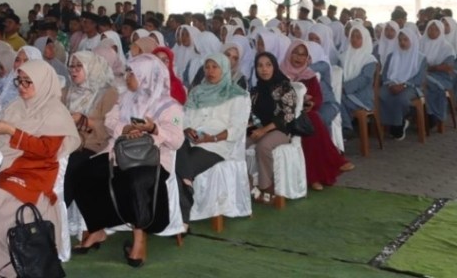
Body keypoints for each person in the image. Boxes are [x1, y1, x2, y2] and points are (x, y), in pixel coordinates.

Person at [68, 54, 184, 267]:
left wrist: (152, 129)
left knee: (135, 180)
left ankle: (139, 239)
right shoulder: (125, 98)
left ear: (147, 76)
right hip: (118, 153)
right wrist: (127, 129)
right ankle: (97, 229)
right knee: (83, 173)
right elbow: (110, 121)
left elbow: (176, 140)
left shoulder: (169, 106)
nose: (127, 76)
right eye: (128, 72)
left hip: (152, 159)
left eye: (133, 73)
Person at [0, 61, 79, 277]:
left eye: (28, 82)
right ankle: (4, 265)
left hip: (37, 169)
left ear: (42, 83)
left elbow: (46, 150)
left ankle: (14, 266)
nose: (22, 87)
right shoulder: (15, 106)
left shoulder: (55, 112)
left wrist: (12, 131)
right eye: (19, 81)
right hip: (9, 166)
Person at [177, 52, 249, 221]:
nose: (210, 71)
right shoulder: (197, 92)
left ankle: (183, 210)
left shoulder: (237, 94)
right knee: (174, 149)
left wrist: (212, 138)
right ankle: (187, 186)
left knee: (184, 162)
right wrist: (187, 129)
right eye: (207, 67)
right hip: (192, 139)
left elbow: (237, 128)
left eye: (215, 67)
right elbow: (184, 116)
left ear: (224, 68)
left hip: (217, 144)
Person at [280, 41, 352, 189]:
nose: (299, 57)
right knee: (313, 120)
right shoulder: (280, 73)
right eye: (295, 53)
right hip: (283, 115)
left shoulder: (309, 75)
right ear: (289, 53)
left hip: (303, 115)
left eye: (303, 55)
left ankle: (314, 177)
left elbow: (318, 97)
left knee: (311, 121)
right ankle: (331, 164)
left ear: (307, 58)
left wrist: (311, 103)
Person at [62, 52, 118, 215]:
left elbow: (111, 127)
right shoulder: (66, 91)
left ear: (92, 68)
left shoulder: (108, 93)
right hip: (67, 141)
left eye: (79, 66)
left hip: (94, 145)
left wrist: (85, 121)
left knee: (71, 166)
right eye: (71, 66)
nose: (73, 70)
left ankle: (59, 214)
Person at [247, 52, 297, 204]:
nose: (264, 69)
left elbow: (287, 115)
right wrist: (249, 128)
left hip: (280, 130)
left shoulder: (284, 87)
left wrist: (263, 130)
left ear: (274, 66)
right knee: (237, 144)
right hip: (259, 128)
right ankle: (249, 186)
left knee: (263, 146)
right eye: (260, 66)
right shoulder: (255, 91)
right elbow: (251, 115)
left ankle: (266, 186)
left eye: (268, 65)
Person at [379, 27, 427, 139]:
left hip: (411, 86)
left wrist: (404, 85)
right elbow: (385, 74)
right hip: (391, 84)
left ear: (412, 40)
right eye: (400, 40)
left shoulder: (420, 58)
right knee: (381, 94)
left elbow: (419, 79)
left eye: (406, 40)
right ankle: (397, 122)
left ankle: (398, 125)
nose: (402, 42)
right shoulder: (392, 55)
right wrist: (391, 84)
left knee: (401, 99)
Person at [340, 26, 377, 137]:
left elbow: (364, 79)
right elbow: (338, 74)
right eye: (352, 36)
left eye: (358, 37)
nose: (354, 39)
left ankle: (346, 128)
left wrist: (344, 88)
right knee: (332, 98)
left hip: (361, 96)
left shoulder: (369, 59)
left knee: (337, 99)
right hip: (344, 93)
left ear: (365, 39)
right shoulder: (343, 56)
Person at [422, 20, 455, 129]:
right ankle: (424, 115)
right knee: (422, 84)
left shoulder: (447, 47)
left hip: (442, 77)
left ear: (441, 31)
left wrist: (431, 68)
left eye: (436, 30)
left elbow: (447, 67)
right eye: (430, 29)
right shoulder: (421, 43)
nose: (432, 32)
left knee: (427, 85)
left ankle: (432, 115)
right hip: (424, 75)